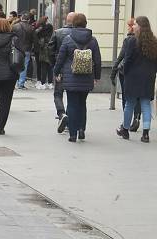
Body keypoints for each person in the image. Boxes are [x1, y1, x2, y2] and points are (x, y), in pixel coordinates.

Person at [53, 12, 101, 143]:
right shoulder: (93, 40)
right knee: (82, 104)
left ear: (73, 24)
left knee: (72, 104)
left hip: (71, 77)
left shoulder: (68, 39)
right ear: (85, 23)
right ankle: (81, 129)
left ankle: (72, 134)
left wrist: (56, 72)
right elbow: (97, 59)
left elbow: (60, 58)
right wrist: (97, 76)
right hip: (87, 77)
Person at [117, 16, 157, 143]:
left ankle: (125, 129)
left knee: (130, 104)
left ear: (139, 26)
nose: (133, 26)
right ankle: (145, 133)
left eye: (134, 24)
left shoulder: (132, 41)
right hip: (148, 77)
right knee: (145, 104)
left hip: (133, 77)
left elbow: (127, 60)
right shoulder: (154, 42)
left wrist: (124, 72)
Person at [112, 19, 141, 134]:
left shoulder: (129, 39)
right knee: (138, 97)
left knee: (127, 98)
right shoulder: (146, 40)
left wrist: (114, 71)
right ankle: (137, 117)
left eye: (131, 25)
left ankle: (126, 123)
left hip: (127, 73)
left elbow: (122, 57)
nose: (129, 27)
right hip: (141, 73)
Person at [49, 11, 74, 132]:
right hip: (75, 69)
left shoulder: (58, 32)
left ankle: (61, 113)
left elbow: (50, 49)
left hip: (60, 68)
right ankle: (69, 120)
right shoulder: (79, 34)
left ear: (66, 20)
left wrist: (54, 65)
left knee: (58, 94)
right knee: (72, 95)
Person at [12, 13, 34, 89]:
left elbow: (11, 37)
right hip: (27, 49)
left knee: (15, 64)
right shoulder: (31, 28)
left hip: (17, 48)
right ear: (28, 20)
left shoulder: (15, 26)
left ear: (21, 18)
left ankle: (14, 81)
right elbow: (34, 39)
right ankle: (21, 83)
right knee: (24, 66)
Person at [34, 16, 54, 89]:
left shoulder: (39, 29)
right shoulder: (50, 27)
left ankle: (43, 82)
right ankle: (50, 82)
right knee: (50, 66)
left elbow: (36, 36)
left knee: (43, 66)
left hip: (42, 49)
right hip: (49, 48)